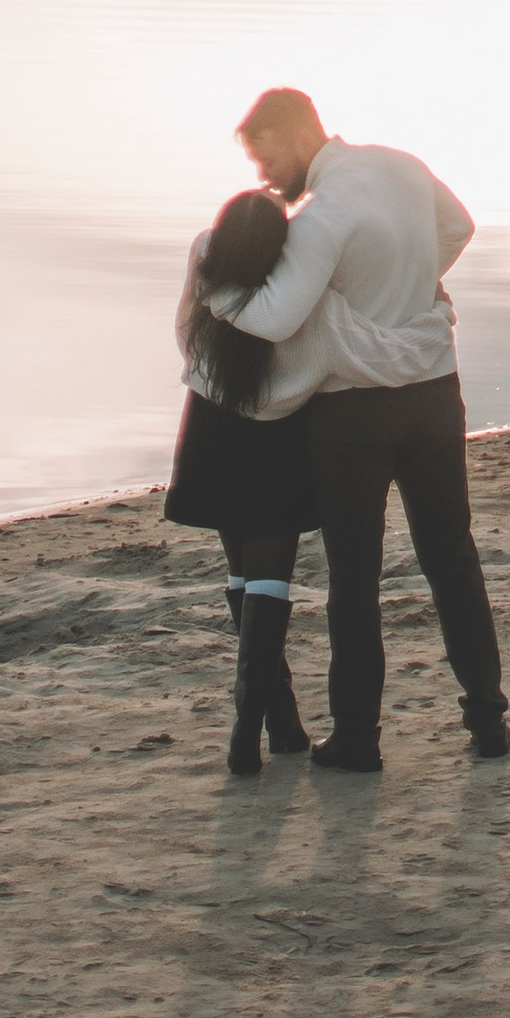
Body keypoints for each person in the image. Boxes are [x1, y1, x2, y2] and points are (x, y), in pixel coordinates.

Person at [221, 85, 510, 774]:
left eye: (267, 159)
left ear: (299, 136)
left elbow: (276, 320)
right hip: (433, 391)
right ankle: (488, 719)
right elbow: (459, 227)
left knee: (355, 576)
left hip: (354, 410)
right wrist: (405, 287)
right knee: (451, 555)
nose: (265, 178)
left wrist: (214, 288)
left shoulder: (321, 217)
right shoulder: (401, 165)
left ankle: (358, 738)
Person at [164, 189, 320, 775]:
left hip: (213, 419)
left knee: (242, 570)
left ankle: (271, 725)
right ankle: (257, 726)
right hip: (281, 426)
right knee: (270, 574)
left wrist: (208, 376)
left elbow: (185, 328)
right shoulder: (298, 267)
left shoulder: (207, 251)